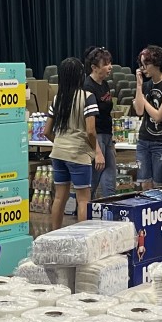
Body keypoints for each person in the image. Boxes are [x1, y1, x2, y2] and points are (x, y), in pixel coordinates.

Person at [43, 57, 101, 229]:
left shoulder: (57, 99)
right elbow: (91, 131)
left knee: (59, 197)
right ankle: (82, 238)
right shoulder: (88, 97)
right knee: (83, 199)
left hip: (58, 153)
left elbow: (46, 131)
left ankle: (54, 234)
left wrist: (60, 143)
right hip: (78, 154)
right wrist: (96, 150)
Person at [132, 45, 162, 189]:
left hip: (161, 141)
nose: (143, 68)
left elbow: (159, 116)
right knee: (145, 183)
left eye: (146, 64)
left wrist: (144, 100)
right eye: (141, 64)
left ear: (157, 63)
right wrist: (139, 86)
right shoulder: (145, 86)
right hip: (144, 140)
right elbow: (139, 111)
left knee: (159, 185)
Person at [83, 46, 116, 198]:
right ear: (94, 67)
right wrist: (97, 151)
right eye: (106, 64)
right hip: (96, 137)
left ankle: (110, 206)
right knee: (93, 180)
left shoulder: (105, 84)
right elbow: (89, 126)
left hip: (107, 135)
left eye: (110, 63)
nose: (110, 67)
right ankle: (84, 208)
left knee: (110, 179)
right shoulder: (88, 87)